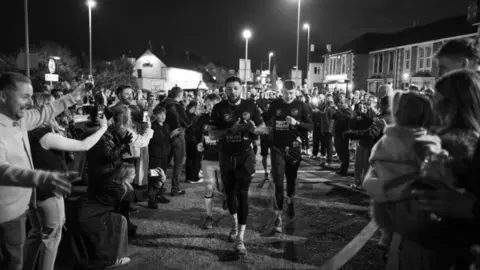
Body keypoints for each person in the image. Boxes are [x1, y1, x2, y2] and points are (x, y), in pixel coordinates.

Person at [0, 72, 85, 270]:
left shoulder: (17, 118)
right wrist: (40, 177)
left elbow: (43, 113)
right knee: (12, 263)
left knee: (19, 257)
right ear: (3, 96)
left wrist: (71, 97)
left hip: (20, 207)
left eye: (31, 96)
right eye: (24, 96)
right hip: (6, 214)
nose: (30, 102)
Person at [25, 93, 109, 270]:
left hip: (33, 189)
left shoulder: (29, 131)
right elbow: (83, 145)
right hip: (49, 191)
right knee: (52, 237)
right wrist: (103, 129)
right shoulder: (45, 135)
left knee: (36, 233)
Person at [209, 76, 269, 255]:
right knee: (230, 194)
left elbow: (263, 129)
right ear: (224, 90)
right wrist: (230, 130)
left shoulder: (250, 106)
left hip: (245, 157)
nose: (232, 92)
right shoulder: (218, 108)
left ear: (241, 88)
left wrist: (252, 129)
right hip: (226, 156)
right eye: (229, 88)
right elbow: (212, 135)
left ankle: (241, 238)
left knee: (243, 194)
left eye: (235, 88)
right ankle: (234, 224)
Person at [262, 80, 313, 233]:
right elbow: (263, 117)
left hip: (294, 149)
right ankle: (278, 217)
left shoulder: (301, 106)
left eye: (291, 93)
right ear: (281, 92)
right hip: (277, 147)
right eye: (285, 93)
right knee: (278, 182)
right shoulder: (275, 104)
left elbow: (310, 126)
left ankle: (290, 199)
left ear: (296, 92)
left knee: (291, 180)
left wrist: (297, 122)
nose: (288, 96)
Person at [195, 94, 226, 229]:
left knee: (223, 188)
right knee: (208, 187)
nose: (210, 107)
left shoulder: (226, 118)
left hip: (223, 158)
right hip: (207, 159)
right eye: (208, 104)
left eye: (213, 105)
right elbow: (198, 136)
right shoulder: (202, 119)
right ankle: (209, 217)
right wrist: (198, 144)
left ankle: (226, 196)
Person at [161, 86, 190, 196]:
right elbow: (187, 123)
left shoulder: (163, 104)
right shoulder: (178, 107)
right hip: (178, 135)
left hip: (165, 135)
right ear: (180, 95)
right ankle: (175, 188)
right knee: (178, 163)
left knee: (164, 162)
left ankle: (160, 187)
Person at [148, 106, 172, 207]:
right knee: (154, 177)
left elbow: (167, 140)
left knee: (163, 176)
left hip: (164, 155)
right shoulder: (153, 126)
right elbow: (157, 140)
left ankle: (160, 195)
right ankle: (151, 199)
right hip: (155, 156)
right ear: (155, 115)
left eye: (164, 114)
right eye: (160, 114)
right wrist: (170, 136)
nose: (163, 116)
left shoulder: (166, 125)